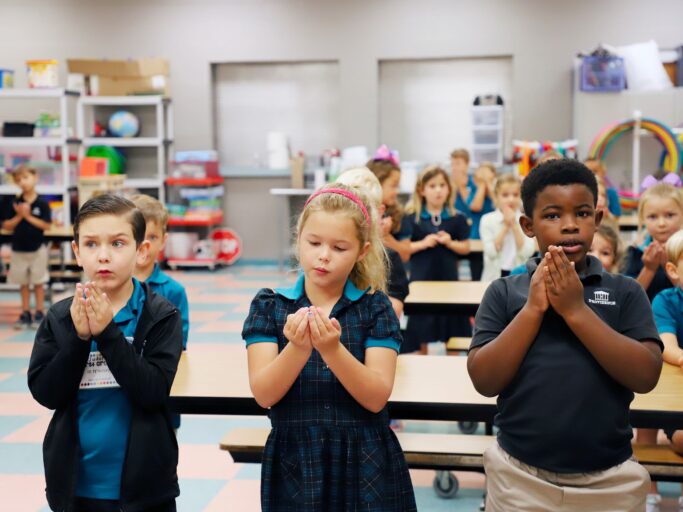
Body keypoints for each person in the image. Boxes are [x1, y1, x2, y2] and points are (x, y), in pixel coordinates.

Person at [468, 159, 663, 512]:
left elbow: (646, 375)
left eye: (583, 213)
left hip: (610, 478)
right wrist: (532, 310)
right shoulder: (504, 292)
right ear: (528, 225)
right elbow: (484, 379)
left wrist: (576, 311)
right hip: (520, 477)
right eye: (553, 215)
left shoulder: (626, 292)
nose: (571, 225)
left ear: (598, 219)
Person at [242, 183, 416, 511]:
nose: (324, 255)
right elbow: (264, 394)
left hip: (366, 461)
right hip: (295, 462)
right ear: (298, 240)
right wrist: (297, 348)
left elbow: (376, 396)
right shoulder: (270, 306)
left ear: (362, 251)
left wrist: (332, 350)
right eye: (314, 243)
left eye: (339, 247)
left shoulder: (375, 308)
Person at [27, 194, 183, 512]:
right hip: (75, 487)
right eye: (91, 244)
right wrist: (79, 338)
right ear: (76, 251)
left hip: (146, 489)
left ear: (140, 250)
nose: (103, 256)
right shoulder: (59, 317)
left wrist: (108, 334)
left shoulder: (161, 314)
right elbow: (47, 393)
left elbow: (153, 392)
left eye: (117, 243)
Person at [404, 165, 470, 353]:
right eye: (432, 186)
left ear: (449, 189)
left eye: (442, 185)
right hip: (421, 284)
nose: (438, 190)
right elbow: (404, 250)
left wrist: (450, 243)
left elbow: (465, 248)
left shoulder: (457, 218)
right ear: (422, 190)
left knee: (453, 330)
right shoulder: (412, 218)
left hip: (449, 283)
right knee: (421, 330)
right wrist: (423, 243)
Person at [336, 167, 409, 319]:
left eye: (363, 210)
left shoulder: (389, 259)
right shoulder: (327, 255)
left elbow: (392, 314)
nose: (355, 219)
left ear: (380, 212)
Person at [130, 194, 189, 348]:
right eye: (139, 236)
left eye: (153, 237)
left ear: (163, 240)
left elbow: (179, 343)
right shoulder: (111, 285)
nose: (145, 244)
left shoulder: (174, 291)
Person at [0, 164, 52, 329]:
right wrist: (19, 216)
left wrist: (28, 216)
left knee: (38, 282)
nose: (23, 182)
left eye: (26, 178)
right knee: (23, 283)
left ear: (35, 178)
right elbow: (6, 225)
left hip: (37, 249)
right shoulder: (14, 202)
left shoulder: (42, 203)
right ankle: (25, 313)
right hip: (18, 249)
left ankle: (39, 312)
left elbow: (46, 226)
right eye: (18, 180)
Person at [624, 182, 683, 302]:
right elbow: (627, 299)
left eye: (670, 215)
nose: (661, 223)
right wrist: (649, 269)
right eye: (653, 217)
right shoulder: (635, 253)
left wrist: (669, 267)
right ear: (642, 219)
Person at [479, 173, 536, 281]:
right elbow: (491, 252)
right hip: (493, 277)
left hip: (519, 277)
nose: (511, 199)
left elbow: (526, 253)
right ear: (496, 197)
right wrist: (505, 226)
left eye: (515, 195)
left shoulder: (527, 220)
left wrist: (514, 225)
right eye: (505, 195)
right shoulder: (487, 220)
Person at [366, 150, 411, 262]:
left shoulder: (399, 215)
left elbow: (405, 255)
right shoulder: (360, 212)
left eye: (398, 186)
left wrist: (385, 236)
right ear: (377, 183)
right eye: (393, 186)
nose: (397, 191)